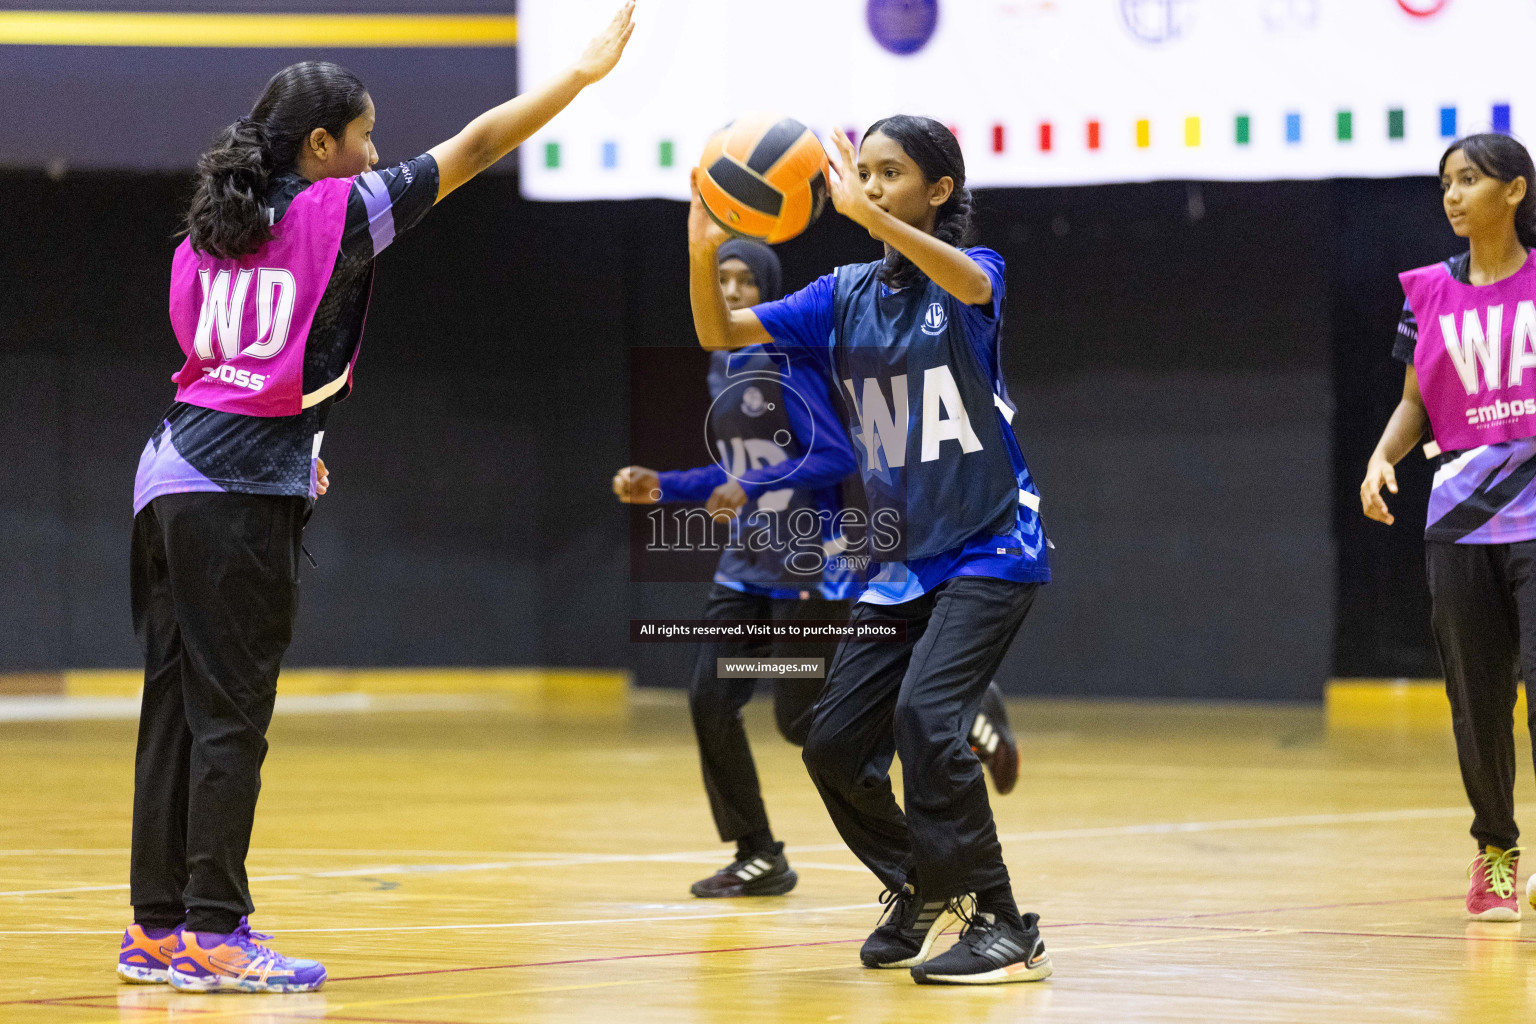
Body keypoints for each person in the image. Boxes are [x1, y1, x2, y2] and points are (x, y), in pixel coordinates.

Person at [117, 4, 635, 993]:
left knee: (175, 716)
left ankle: (155, 929)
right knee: (231, 719)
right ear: (322, 146)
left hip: (167, 476)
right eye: (364, 136)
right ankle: (216, 934)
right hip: (233, 492)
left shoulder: (199, 244)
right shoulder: (338, 208)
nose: (376, 151)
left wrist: (291, 447)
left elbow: (216, 368)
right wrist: (577, 80)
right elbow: (479, 145)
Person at [686, 115, 1051, 985]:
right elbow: (722, 333)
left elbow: (961, 279)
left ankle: (1005, 925)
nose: (875, 187)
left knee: (927, 720)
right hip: (900, 563)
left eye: (892, 174)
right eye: (867, 174)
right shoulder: (842, 293)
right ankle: (917, 878)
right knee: (831, 746)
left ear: (940, 190)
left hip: (991, 545)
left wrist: (870, 217)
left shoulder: (977, 277)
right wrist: (702, 246)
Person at [615, 242, 1026, 898]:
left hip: (810, 561)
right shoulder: (727, 364)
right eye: (722, 279)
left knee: (805, 723)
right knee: (711, 699)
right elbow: (742, 471)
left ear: (769, 285)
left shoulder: (790, 354)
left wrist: (750, 488)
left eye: (746, 279)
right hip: (745, 563)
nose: (732, 290)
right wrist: (666, 486)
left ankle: (962, 708)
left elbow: (834, 456)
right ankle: (758, 854)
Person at [1362, 132, 1536, 922]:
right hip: (1460, 522)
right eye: (1445, 184)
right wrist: (1382, 456)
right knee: (1477, 699)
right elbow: (1415, 400)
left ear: (1516, 191)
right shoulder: (1428, 290)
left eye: (1470, 180)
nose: (1453, 196)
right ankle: (1495, 851)